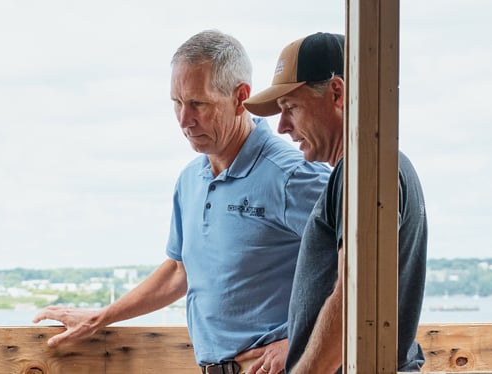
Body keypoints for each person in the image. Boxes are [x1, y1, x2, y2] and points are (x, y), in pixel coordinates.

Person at [33, 30, 330, 374]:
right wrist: (101, 318)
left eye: (198, 104)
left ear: (241, 97)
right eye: (177, 102)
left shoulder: (293, 176)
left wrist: (298, 343)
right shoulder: (190, 179)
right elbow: (180, 271)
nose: (184, 121)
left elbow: (361, 271)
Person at [242, 32, 429, 373]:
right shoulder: (379, 165)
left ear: (337, 93)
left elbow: (353, 296)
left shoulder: (361, 169)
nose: (282, 127)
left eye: (291, 108)